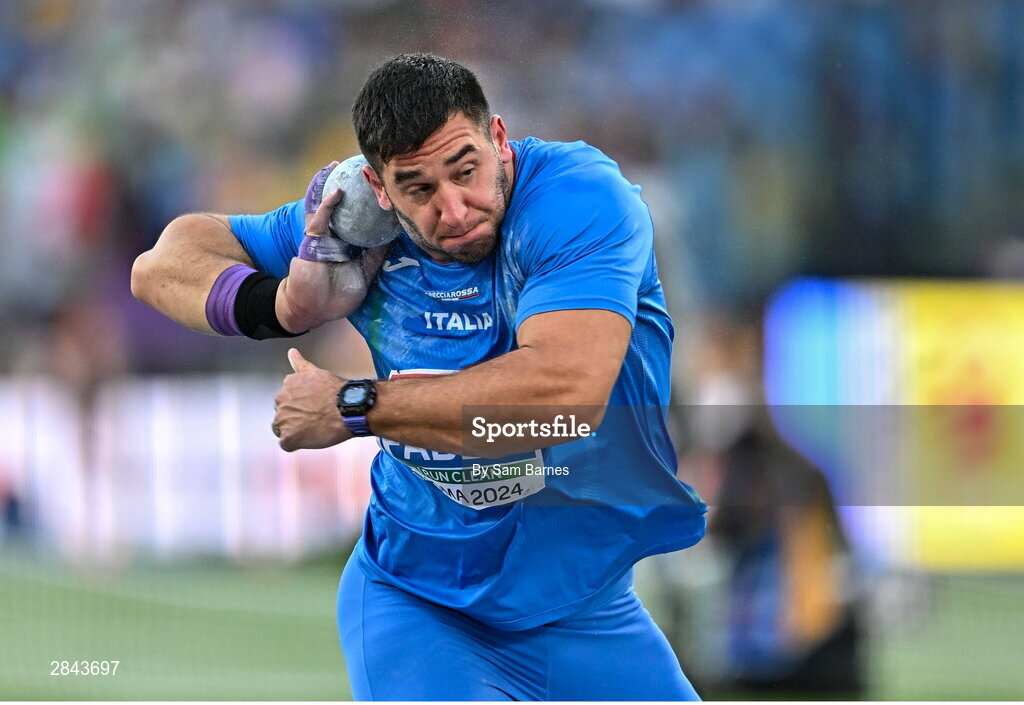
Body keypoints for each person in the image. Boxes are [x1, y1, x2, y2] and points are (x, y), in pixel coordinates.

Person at [132, 53, 707, 700]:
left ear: (497, 138)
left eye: (466, 171)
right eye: (419, 189)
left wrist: (355, 405)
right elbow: (161, 265)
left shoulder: (575, 200)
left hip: (587, 607)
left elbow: (566, 393)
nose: (455, 209)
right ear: (381, 189)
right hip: (421, 602)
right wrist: (282, 304)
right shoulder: (358, 229)